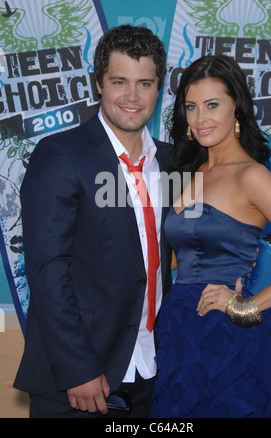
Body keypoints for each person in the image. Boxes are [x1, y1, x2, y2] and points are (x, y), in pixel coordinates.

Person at [14, 24, 173, 418]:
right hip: (82, 380)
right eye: (119, 81)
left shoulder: (172, 162)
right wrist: (78, 368)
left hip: (156, 370)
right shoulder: (61, 154)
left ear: (159, 87)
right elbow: (48, 269)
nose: (133, 97)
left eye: (145, 83)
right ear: (98, 84)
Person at [150, 54, 271, 418]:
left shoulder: (252, 176)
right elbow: (176, 256)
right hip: (176, 327)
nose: (201, 118)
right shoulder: (187, 171)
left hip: (226, 336)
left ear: (237, 107)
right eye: (191, 107)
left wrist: (248, 306)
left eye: (212, 105)